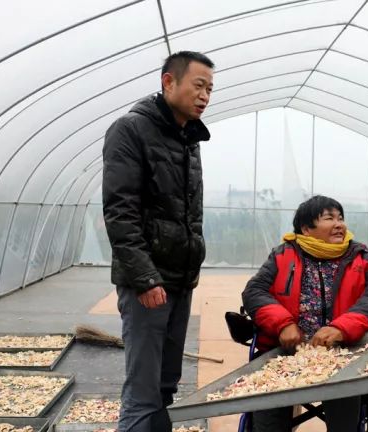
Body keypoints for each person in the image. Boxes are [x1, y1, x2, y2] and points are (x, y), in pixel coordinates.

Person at [102, 51, 214, 432]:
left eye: (210, 89)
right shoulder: (130, 130)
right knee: (143, 391)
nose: (205, 95)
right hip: (148, 283)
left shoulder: (189, 139)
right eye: (198, 85)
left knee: (167, 383)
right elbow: (121, 212)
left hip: (180, 279)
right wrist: (146, 279)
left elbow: (186, 214)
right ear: (169, 82)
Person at [242, 195, 368, 432]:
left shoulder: (364, 258)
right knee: (267, 416)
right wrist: (283, 324)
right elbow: (255, 292)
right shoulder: (283, 256)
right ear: (306, 229)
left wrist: (341, 328)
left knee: (344, 403)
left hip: (345, 354)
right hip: (286, 353)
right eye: (329, 218)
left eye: (340, 218)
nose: (339, 224)